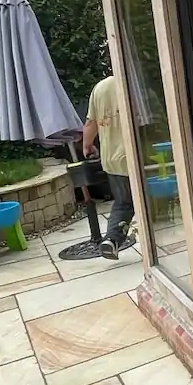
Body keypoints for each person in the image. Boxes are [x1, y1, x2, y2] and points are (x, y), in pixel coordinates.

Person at [82, 75, 133, 260]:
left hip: (112, 157)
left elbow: (90, 123)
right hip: (136, 153)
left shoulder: (100, 87)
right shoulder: (133, 79)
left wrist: (87, 145)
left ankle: (112, 240)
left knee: (123, 202)